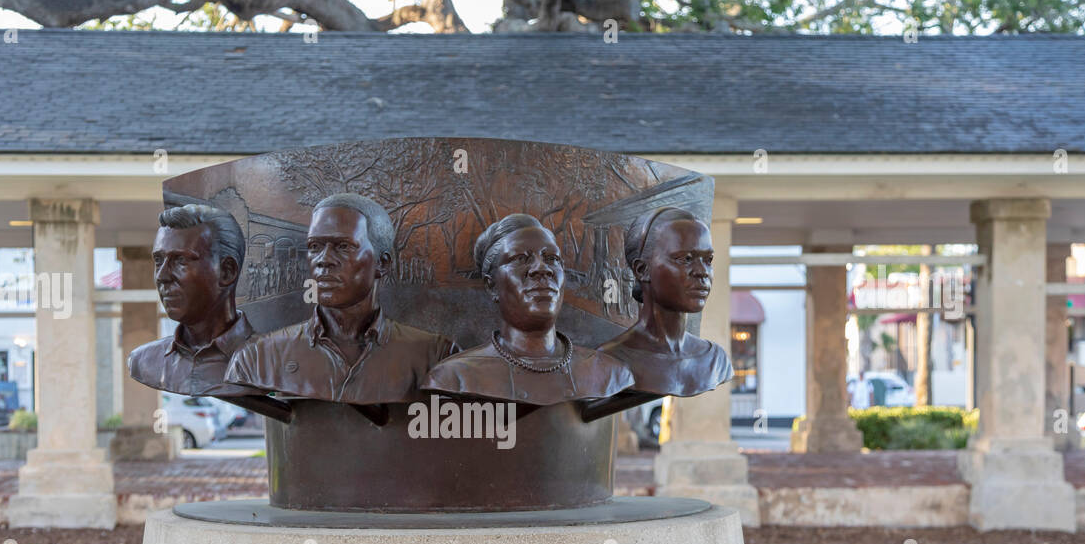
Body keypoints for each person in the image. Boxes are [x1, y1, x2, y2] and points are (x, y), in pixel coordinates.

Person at [224, 192, 457, 405]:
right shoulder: (255, 358)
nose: (323, 260)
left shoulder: (437, 356)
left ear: (382, 263)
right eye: (314, 246)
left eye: (343, 246)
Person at [421, 214, 634, 406]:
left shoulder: (611, 375)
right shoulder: (453, 379)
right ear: (491, 285)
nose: (542, 268)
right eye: (520, 259)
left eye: (552, 259)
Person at [596, 207, 733, 397]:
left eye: (708, 260)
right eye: (686, 259)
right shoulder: (609, 361)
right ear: (641, 269)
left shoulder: (715, 361)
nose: (702, 272)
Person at [127, 204, 255, 397]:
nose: (162, 276)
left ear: (227, 271)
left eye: (179, 261)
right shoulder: (143, 360)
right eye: (158, 261)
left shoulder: (271, 362)